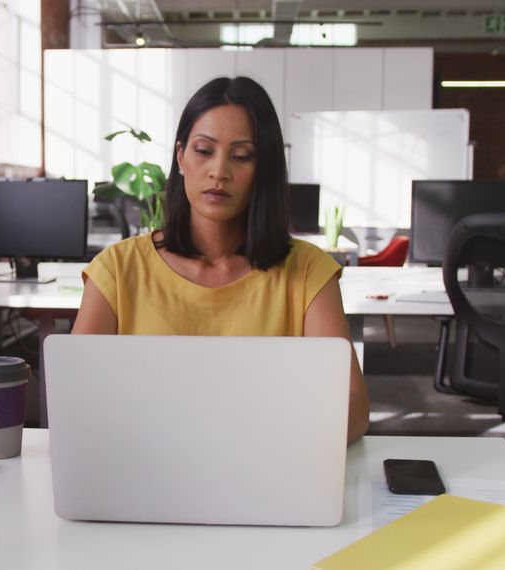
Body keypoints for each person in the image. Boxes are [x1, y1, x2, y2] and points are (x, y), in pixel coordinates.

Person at [72, 76, 369, 444]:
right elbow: (77, 403)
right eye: (203, 150)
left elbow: (353, 407)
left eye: (241, 156)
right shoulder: (117, 269)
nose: (219, 171)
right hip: (146, 473)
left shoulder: (308, 270)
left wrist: (255, 444)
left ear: (264, 169)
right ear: (181, 157)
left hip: (269, 471)